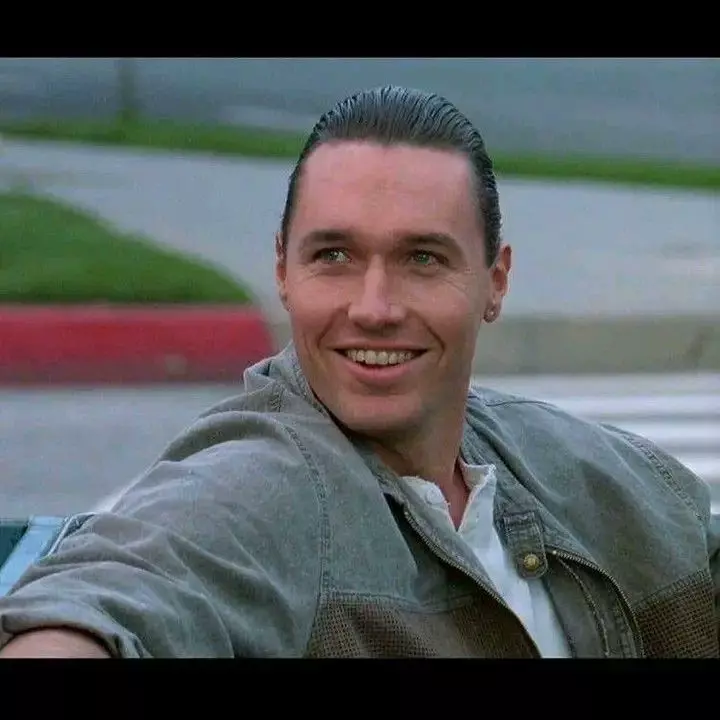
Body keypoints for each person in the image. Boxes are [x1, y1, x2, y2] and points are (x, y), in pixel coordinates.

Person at [0, 85, 718, 658]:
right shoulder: (256, 492)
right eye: (334, 256)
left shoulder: (585, 469)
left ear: (495, 282)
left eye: (423, 258)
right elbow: (112, 596)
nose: (373, 308)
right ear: (283, 269)